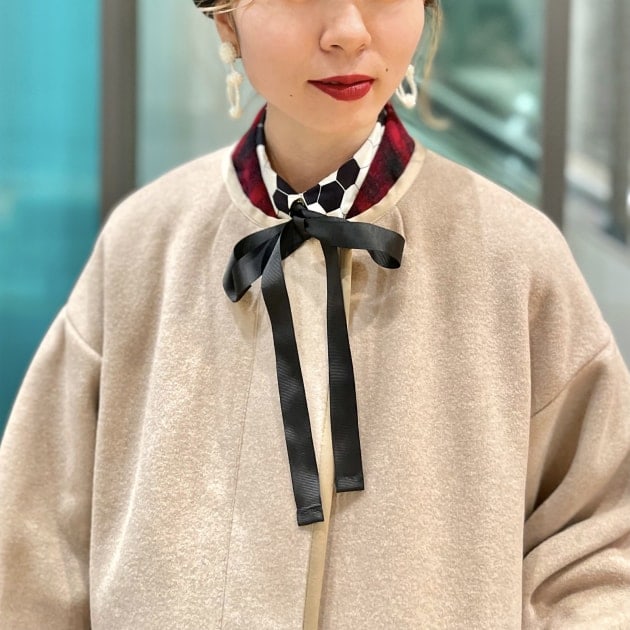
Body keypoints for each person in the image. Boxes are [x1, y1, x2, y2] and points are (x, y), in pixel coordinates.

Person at [1, 0, 629, 627]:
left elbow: (600, 548)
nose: (349, 33)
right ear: (226, 19)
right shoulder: (143, 244)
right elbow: (34, 554)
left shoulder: (515, 260)